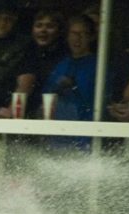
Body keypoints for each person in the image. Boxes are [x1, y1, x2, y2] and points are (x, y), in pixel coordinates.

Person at [42, 15, 112, 150]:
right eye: (74, 33)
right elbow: (46, 98)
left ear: (92, 37)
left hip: (86, 136)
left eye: (83, 34)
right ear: (67, 36)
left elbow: (101, 104)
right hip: (56, 136)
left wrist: (74, 87)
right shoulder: (61, 65)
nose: (77, 38)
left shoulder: (100, 66)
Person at [26, 9, 67, 118]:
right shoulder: (25, 55)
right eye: (39, 25)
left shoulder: (65, 58)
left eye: (50, 26)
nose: (43, 30)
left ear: (59, 31)